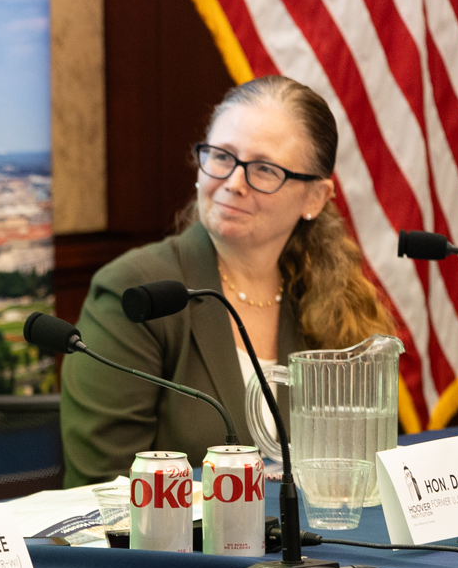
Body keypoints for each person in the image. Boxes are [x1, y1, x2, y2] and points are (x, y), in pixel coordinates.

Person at [62, 74, 397, 485]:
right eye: (222, 157)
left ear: (314, 198)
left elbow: (364, 463)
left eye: (263, 169)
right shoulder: (134, 291)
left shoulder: (335, 301)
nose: (234, 184)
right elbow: (102, 489)